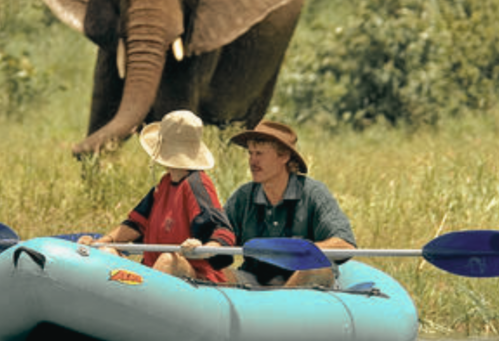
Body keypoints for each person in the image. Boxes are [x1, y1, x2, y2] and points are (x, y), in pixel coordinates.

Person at [78, 110, 235, 283]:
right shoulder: (164, 184)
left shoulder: (197, 184)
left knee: (168, 260)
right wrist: (101, 242)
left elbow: (222, 230)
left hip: (196, 277)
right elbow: (137, 224)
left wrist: (205, 248)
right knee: (106, 252)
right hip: (153, 273)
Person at [224, 120, 357, 287]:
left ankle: (279, 307)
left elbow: (346, 244)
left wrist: (291, 251)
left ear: (284, 157)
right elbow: (219, 235)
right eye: (250, 153)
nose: (252, 161)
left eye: (260, 154)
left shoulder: (313, 193)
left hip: (305, 286)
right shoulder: (243, 196)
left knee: (316, 271)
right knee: (216, 274)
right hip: (255, 281)